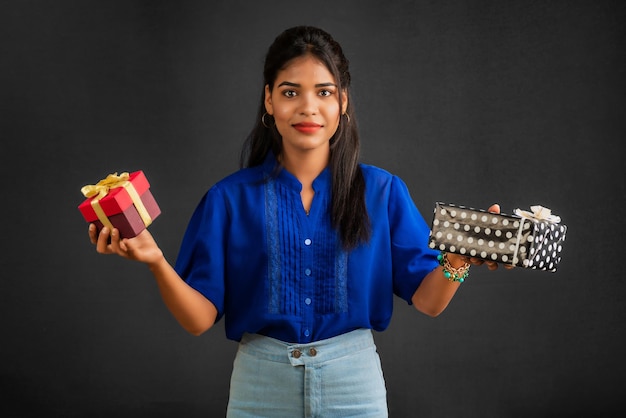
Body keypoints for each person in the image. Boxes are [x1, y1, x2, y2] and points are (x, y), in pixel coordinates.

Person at [89, 25, 510, 417]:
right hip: (259, 387)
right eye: (291, 92)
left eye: (324, 92)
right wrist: (156, 261)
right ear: (269, 101)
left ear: (343, 102)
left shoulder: (382, 192)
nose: (308, 107)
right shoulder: (228, 199)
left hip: (355, 387)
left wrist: (458, 260)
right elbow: (198, 319)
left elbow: (428, 301)